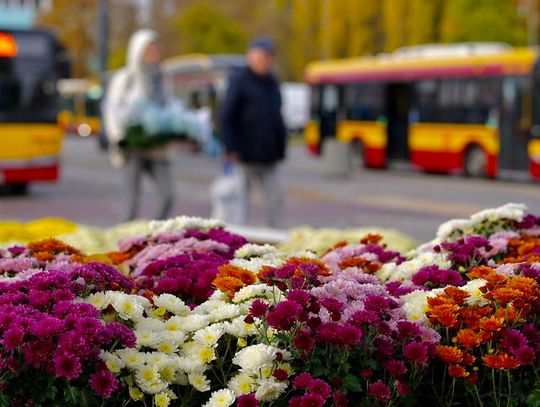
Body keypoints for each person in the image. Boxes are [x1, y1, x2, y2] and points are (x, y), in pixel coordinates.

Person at [103, 29, 173, 221]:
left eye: (155, 48)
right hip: (132, 146)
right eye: (149, 49)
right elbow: (112, 108)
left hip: (156, 147)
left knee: (167, 194)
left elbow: (168, 107)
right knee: (131, 200)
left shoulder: (161, 78)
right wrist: (117, 136)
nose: (154, 52)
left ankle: (155, 235)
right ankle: (126, 243)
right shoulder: (125, 78)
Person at [218, 36, 287, 228]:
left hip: (269, 155)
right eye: (261, 56)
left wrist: (281, 147)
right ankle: (235, 242)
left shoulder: (273, 82)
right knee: (238, 203)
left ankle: (279, 240)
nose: (265, 61)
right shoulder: (239, 80)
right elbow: (226, 115)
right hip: (243, 154)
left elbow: (277, 116)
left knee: (276, 200)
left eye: (268, 56)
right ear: (250, 56)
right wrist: (230, 147)